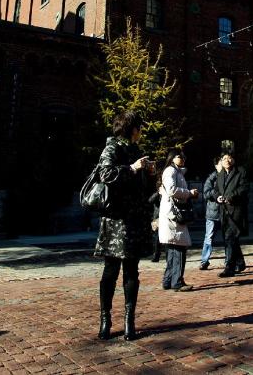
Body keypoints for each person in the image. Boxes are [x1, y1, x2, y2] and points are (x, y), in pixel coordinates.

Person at [93, 110, 155, 341]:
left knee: (132, 270)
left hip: (135, 218)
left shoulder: (136, 151)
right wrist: (132, 168)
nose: (140, 132)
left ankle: (130, 320)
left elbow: (143, 188)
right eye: (139, 127)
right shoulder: (113, 147)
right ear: (131, 128)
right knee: (110, 270)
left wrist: (149, 174)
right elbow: (105, 174)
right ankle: (105, 318)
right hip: (116, 219)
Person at [158, 150, 200, 292]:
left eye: (183, 156)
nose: (182, 158)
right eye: (179, 156)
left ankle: (168, 280)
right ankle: (177, 281)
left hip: (171, 215)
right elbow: (171, 189)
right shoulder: (171, 171)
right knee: (179, 249)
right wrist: (189, 193)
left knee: (172, 249)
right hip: (173, 215)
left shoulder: (176, 172)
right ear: (171, 158)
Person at [214, 151, 248, 277]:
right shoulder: (221, 174)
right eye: (224, 159)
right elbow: (216, 190)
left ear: (233, 160)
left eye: (229, 158)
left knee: (230, 237)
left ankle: (229, 267)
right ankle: (240, 262)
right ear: (221, 162)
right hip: (224, 211)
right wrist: (217, 197)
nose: (227, 160)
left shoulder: (240, 171)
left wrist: (231, 197)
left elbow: (244, 188)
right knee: (230, 238)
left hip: (236, 210)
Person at [199, 155, 224, 270]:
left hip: (225, 212)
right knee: (209, 237)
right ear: (216, 165)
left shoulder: (230, 176)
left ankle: (229, 261)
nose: (223, 165)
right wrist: (217, 193)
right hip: (213, 213)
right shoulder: (211, 178)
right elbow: (206, 193)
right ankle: (204, 260)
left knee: (228, 237)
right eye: (221, 163)